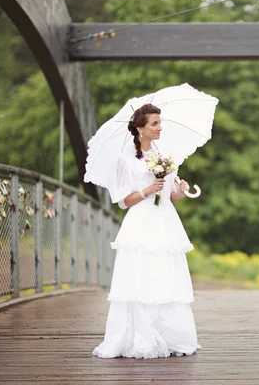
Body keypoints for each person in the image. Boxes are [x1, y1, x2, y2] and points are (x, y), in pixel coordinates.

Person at [93, 103, 201, 359]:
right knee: (141, 277)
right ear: (140, 128)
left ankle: (171, 335)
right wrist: (147, 190)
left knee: (165, 276)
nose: (159, 128)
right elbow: (123, 201)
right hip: (141, 223)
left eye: (160, 123)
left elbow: (171, 197)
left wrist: (179, 189)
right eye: (154, 123)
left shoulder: (165, 155)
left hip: (165, 222)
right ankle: (140, 336)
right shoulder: (124, 160)